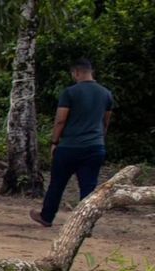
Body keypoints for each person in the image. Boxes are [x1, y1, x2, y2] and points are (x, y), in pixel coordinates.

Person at [30, 58, 114, 227]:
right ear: (91, 72)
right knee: (88, 187)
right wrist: (99, 139)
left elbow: (60, 120)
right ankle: (85, 224)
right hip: (95, 146)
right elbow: (106, 121)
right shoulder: (106, 93)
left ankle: (47, 216)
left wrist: (54, 141)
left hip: (70, 146)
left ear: (76, 72)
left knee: (57, 183)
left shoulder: (70, 92)